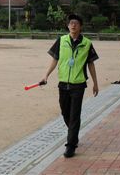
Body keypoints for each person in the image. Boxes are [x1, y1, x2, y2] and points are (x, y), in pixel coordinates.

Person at [41, 14, 99, 158]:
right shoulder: (61, 41)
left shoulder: (87, 43)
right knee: (65, 112)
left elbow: (91, 64)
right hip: (63, 84)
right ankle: (74, 134)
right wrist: (46, 75)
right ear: (68, 26)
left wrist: (95, 83)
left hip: (78, 84)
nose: (73, 25)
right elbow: (55, 59)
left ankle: (71, 145)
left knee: (74, 116)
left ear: (80, 26)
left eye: (76, 23)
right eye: (71, 23)